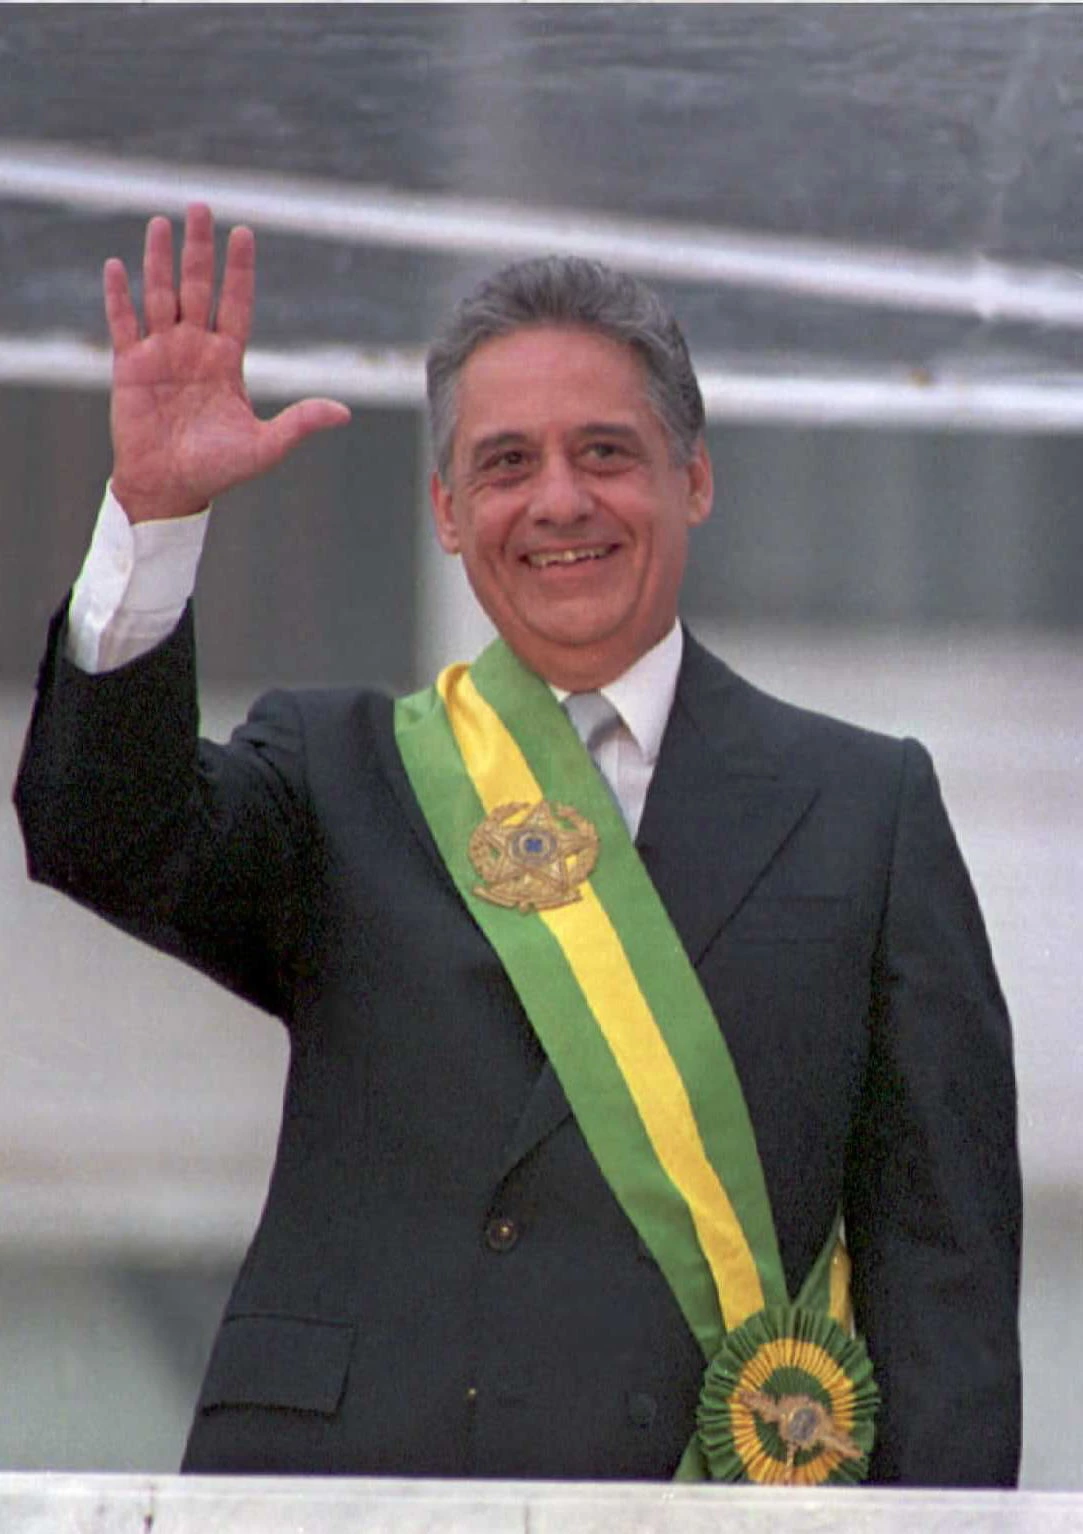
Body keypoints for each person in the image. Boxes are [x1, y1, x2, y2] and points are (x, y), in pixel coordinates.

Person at [14, 205, 1021, 1487]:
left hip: (692, 1504)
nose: (558, 500)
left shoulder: (866, 807)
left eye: (605, 451)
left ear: (694, 479)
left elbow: (945, 1274)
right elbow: (101, 830)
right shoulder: (343, 772)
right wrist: (152, 519)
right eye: (505, 464)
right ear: (444, 509)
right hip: (348, 1496)